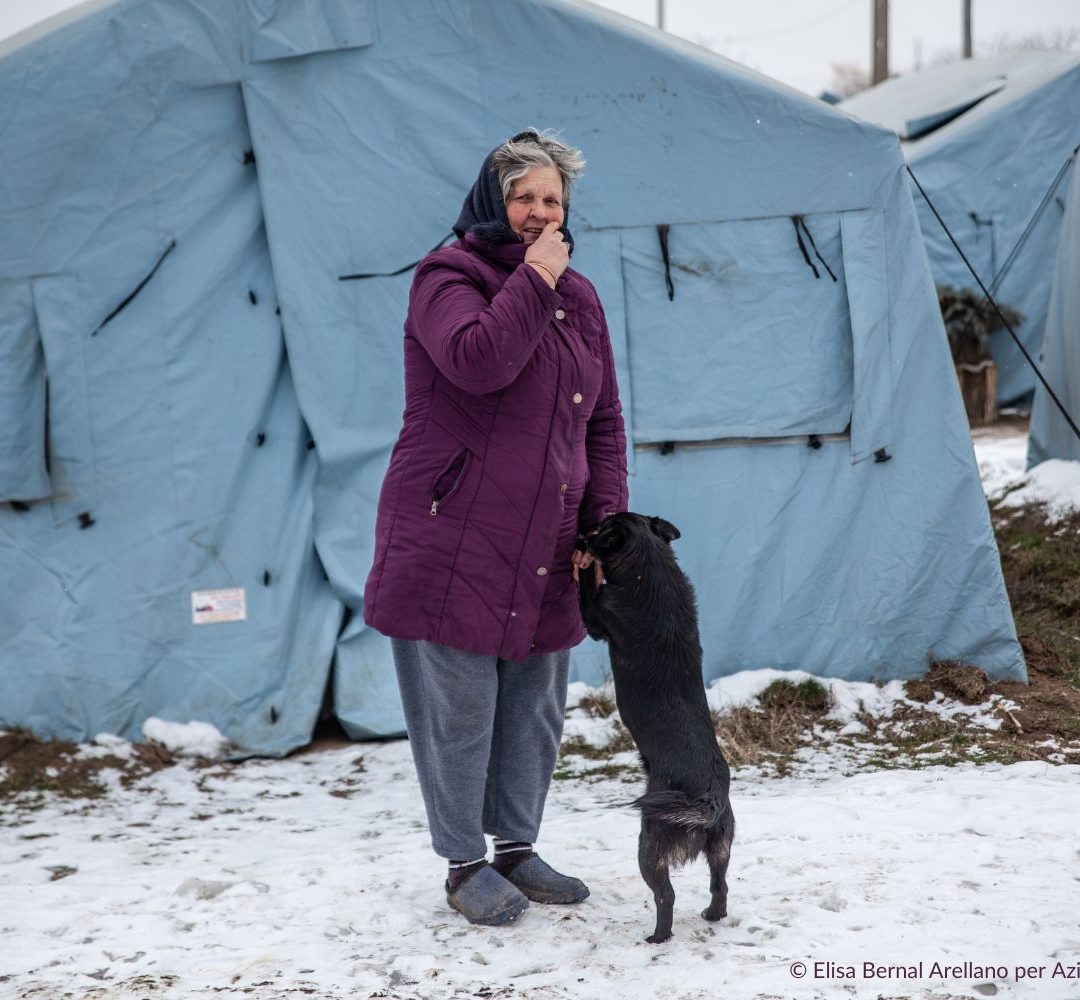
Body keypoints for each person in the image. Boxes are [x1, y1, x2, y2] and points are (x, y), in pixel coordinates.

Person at [363, 128, 628, 926]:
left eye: (554, 201)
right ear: (493, 200)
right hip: (454, 536)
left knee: (534, 706)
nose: (541, 214)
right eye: (525, 198)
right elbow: (479, 361)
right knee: (461, 709)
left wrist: (603, 525)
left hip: (549, 539)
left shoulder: (578, 299)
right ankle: (464, 864)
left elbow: (605, 422)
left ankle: (516, 846)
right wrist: (537, 279)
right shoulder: (447, 278)